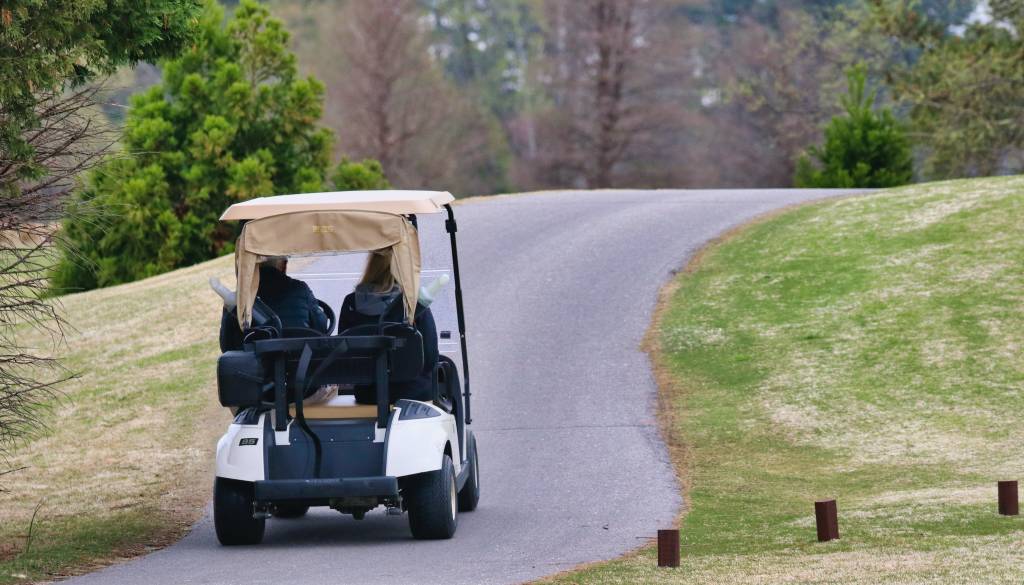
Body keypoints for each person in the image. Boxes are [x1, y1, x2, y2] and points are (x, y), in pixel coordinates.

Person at [338, 249, 439, 404]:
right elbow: (430, 358)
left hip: (369, 394)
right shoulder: (413, 302)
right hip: (414, 392)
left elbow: (343, 353)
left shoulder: (351, 303)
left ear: (371, 267)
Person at [219, 256, 329, 351]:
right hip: (300, 362)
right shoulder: (300, 289)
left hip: (255, 367)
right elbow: (321, 327)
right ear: (284, 265)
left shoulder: (238, 300)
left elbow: (226, 346)